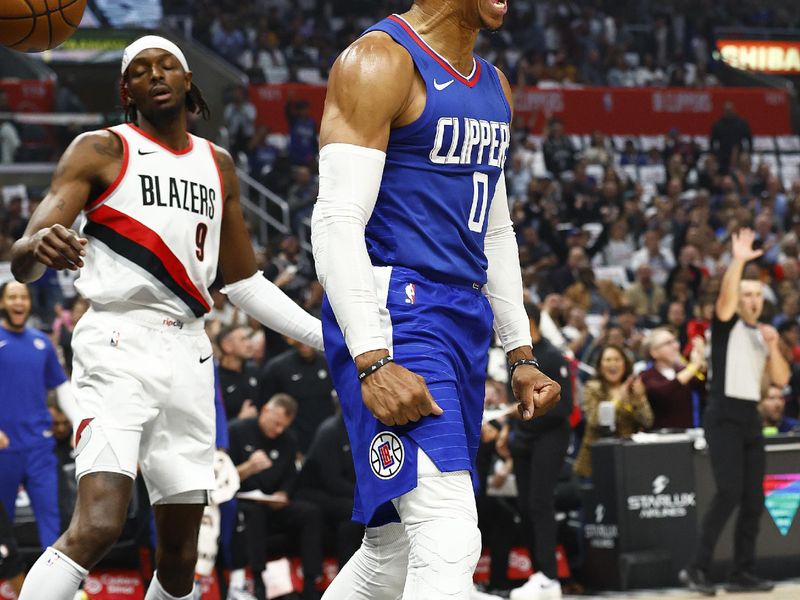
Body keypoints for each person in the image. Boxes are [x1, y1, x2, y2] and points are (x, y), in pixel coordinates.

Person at [11, 35, 323, 600]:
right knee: (100, 525)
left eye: (167, 66)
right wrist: (39, 247)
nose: (155, 75)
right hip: (116, 340)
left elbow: (245, 283)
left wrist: (324, 337)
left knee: (182, 560)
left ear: (187, 82)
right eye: (141, 70)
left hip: (189, 351)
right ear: (125, 90)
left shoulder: (218, 164)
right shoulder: (99, 149)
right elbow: (22, 256)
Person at [311, 1, 561, 598]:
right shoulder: (379, 60)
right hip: (398, 309)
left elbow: (495, 231)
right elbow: (336, 220)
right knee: (448, 531)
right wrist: (372, 358)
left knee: (391, 551)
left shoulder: (494, 84)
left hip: (462, 315)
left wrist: (520, 353)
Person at [680, 228, 790, 595]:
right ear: (738, 298)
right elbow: (725, 300)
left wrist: (774, 347)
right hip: (722, 413)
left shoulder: (763, 334)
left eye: (758, 294)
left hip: (750, 416)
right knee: (728, 491)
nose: (754, 300)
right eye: (747, 294)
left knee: (753, 499)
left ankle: (743, 571)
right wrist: (739, 260)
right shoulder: (724, 326)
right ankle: (696, 569)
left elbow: (781, 379)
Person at [504, 303, 573, 600]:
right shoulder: (516, 361)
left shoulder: (552, 356)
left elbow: (564, 408)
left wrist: (521, 412)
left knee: (540, 504)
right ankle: (537, 574)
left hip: (548, 438)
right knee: (525, 507)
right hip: (523, 440)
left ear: (528, 322)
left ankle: (549, 576)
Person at [229, 394, 324, 600]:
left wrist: (284, 493)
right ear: (265, 410)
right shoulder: (237, 430)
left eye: (284, 426)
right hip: (245, 501)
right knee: (255, 513)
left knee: (310, 513)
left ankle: (311, 581)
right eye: (276, 423)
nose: (279, 430)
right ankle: (259, 580)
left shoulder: (288, 438)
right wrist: (249, 467)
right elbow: (224, 477)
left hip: (275, 502)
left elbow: (291, 475)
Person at [0, 281, 71, 549]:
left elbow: (62, 386)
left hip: (40, 448)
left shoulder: (42, 342)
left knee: (53, 522)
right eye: (12, 297)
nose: (19, 302)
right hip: (3, 450)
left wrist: (80, 424)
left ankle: (54, 590)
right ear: (2, 303)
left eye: (23, 297)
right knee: (1, 527)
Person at [573, 345, 653, 480]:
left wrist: (639, 399)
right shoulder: (592, 388)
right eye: (608, 360)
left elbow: (647, 421)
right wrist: (617, 399)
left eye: (617, 359)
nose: (613, 364)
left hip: (628, 458)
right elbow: (595, 421)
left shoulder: (633, 389)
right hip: (596, 461)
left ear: (625, 364)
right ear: (600, 365)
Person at [259, 337, 336, 454]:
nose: (305, 343)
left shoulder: (329, 364)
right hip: (291, 442)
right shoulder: (277, 367)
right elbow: (264, 404)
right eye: (301, 338)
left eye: (308, 338)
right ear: (291, 339)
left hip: (326, 439)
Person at [640, 327, 706, 430]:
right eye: (668, 343)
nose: (676, 346)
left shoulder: (683, 370)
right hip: (659, 437)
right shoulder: (647, 375)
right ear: (654, 352)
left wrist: (702, 364)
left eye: (675, 341)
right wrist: (694, 365)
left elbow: (703, 388)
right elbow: (664, 392)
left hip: (687, 434)